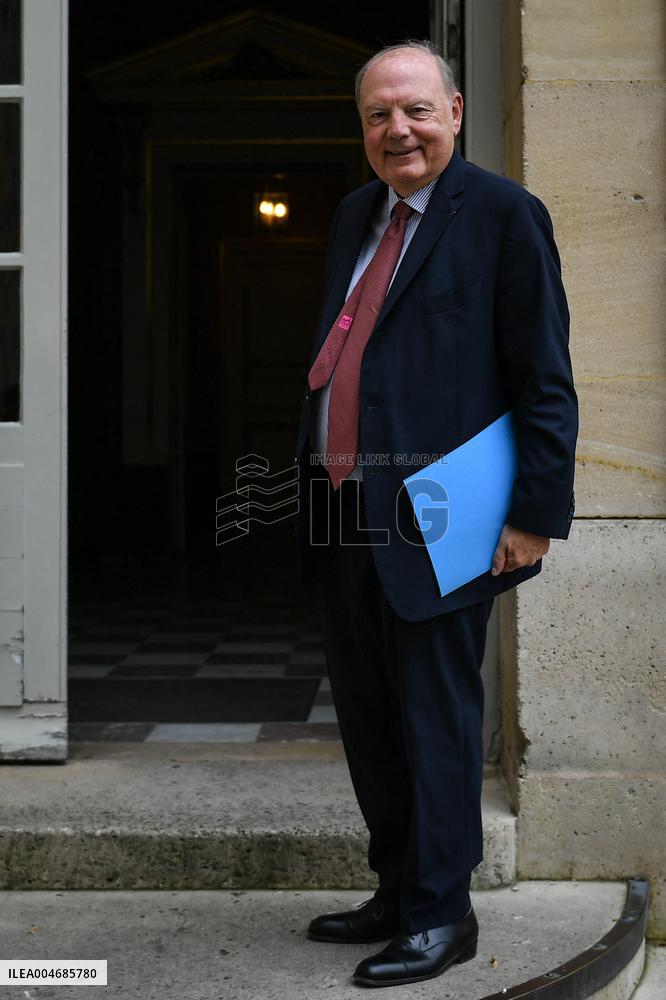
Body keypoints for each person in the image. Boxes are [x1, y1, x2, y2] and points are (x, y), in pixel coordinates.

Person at [293, 40, 577, 989]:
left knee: (437, 720)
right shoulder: (355, 215)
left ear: (455, 111)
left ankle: (442, 913)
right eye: (378, 114)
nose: (398, 130)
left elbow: (544, 377)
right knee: (371, 717)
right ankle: (398, 889)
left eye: (416, 109)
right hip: (347, 505)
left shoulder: (503, 214)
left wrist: (534, 513)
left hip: (447, 514)